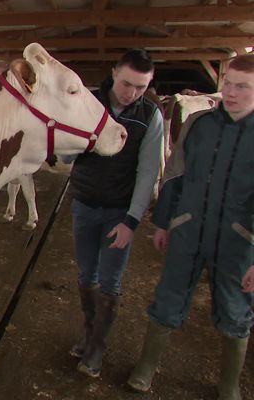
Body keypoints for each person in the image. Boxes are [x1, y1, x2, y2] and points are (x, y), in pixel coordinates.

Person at [127, 54, 254, 400]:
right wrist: (165, 222)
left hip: (240, 238)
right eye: (227, 83)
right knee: (168, 295)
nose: (230, 92)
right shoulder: (199, 123)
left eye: (241, 87)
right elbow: (176, 174)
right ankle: (147, 366)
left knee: (236, 308)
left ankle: (228, 383)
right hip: (189, 227)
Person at [65, 49, 163, 377]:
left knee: (110, 279)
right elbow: (66, 156)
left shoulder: (150, 115)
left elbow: (148, 171)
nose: (131, 92)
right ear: (113, 72)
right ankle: (88, 333)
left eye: (140, 87)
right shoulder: (89, 103)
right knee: (85, 275)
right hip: (84, 203)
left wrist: (132, 221)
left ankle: (96, 349)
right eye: (126, 83)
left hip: (118, 212)